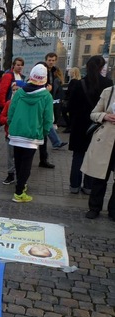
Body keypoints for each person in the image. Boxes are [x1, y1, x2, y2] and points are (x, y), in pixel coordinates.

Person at [8, 64, 53, 203]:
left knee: (19, 161)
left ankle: (20, 185)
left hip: (16, 133)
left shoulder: (19, 93)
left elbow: (11, 111)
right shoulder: (46, 96)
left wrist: (12, 125)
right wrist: (43, 132)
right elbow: (48, 119)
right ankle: (19, 191)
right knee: (26, 164)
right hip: (32, 135)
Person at [68, 55, 113, 195]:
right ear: (101, 68)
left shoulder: (78, 83)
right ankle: (88, 187)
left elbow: (70, 106)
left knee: (78, 156)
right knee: (94, 156)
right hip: (100, 125)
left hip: (80, 125)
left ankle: (74, 186)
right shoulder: (108, 84)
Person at [81, 83, 115, 220]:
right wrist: (105, 116)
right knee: (100, 177)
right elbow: (93, 114)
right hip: (106, 141)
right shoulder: (109, 91)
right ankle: (94, 207)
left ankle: (113, 211)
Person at [0, 57, 25, 148]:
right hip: (7, 103)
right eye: (18, 65)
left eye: (21, 65)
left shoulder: (21, 76)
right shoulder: (9, 75)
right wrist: (3, 104)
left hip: (15, 102)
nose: (20, 67)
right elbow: (3, 91)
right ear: (13, 65)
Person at [0, 83, 20, 185]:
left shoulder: (23, 103)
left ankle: (20, 175)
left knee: (20, 157)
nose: (15, 91)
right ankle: (10, 174)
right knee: (10, 156)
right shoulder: (8, 103)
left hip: (20, 135)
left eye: (17, 89)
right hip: (10, 134)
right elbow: (1, 117)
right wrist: (8, 120)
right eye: (13, 90)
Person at [62, 67, 81, 134]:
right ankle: (71, 126)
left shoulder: (73, 81)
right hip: (75, 102)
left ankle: (69, 126)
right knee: (71, 115)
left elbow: (70, 91)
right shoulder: (79, 81)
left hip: (69, 101)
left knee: (64, 112)